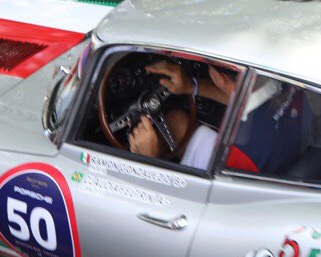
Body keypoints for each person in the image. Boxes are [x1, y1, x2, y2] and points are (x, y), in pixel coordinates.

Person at [127, 59, 305, 175]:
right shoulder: (287, 84)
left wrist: (150, 159)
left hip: (236, 178)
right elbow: (238, 94)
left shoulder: (239, 150)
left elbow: (200, 202)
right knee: (176, 121)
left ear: (219, 78)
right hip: (286, 155)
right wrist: (192, 86)